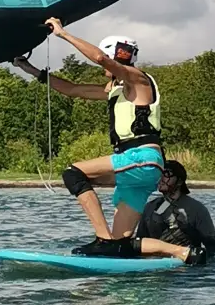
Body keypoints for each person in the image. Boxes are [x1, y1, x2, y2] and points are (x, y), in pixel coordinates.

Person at [14, 16, 164, 246]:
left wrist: (62, 33)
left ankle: (101, 239)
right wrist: (29, 69)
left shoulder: (138, 79)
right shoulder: (116, 89)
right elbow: (73, 89)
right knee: (120, 244)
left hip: (140, 158)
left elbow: (99, 57)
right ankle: (170, 252)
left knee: (73, 174)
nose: (101, 66)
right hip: (142, 169)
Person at [123, 159, 215, 265]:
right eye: (159, 174)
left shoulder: (197, 209)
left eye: (166, 174)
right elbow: (141, 240)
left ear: (179, 181)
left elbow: (213, 249)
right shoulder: (150, 207)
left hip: (186, 268)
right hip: (154, 265)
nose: (160, 178)